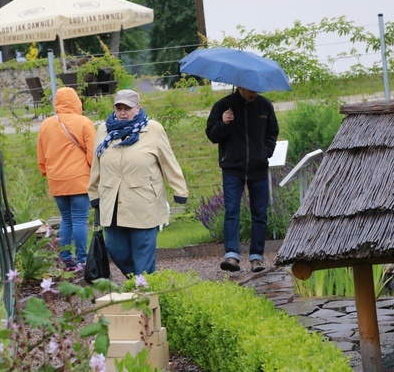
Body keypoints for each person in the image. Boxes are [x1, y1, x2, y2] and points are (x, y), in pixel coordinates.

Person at [88, 89, 188, 276]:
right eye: (119, 108)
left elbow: (169, 161)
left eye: (127, 108)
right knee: (115, 248)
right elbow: (97, 163)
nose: (123, 112)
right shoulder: (104, 130)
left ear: (138, 107)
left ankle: (145, 293)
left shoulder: (153, 129)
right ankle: (140, 282)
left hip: (144, 202)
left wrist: (180, 190)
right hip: (113, 202)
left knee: (143, 251)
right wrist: (93, 192)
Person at [205, 86, 279, 273]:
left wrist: (265, 153)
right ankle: (232, 256)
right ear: (240, 87)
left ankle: (257, 258)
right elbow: (212, 135)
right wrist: (223, 123)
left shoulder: (265, 106)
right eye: (250, 90)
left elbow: (272, 133)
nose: (254, 93)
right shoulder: (223, 105)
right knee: (231, 211)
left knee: (260, 214)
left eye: (256, 89)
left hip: (258, 168)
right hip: (232, 168)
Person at [37, 87, 96, 271]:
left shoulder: (46, 124)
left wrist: (46, 171)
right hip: (79, 179)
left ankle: (65, 258)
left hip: (56, 179)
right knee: (80, 219)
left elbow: (41, 153)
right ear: (76, 101)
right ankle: (81, 259)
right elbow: (93, 154)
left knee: (66, 220)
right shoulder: (84, 122)